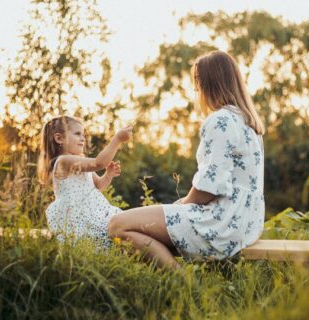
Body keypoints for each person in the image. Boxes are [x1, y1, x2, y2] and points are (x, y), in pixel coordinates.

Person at [108, 50, 265, 268]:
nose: (196, 88)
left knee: (117, 225)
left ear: (207, 82)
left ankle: (183, 286)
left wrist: (182, 205)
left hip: (221, 223)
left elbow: (210, 186)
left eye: (197, 81)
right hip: (245, 224)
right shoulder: (248, 123)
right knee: (149, 231)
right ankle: (176, 282)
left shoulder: (221, 120)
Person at [37, 115, 132, 247]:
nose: (83, 138)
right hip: (81, 217)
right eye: (77, 134)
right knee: (120, 231)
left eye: (83, 134)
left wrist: (108, 175)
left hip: (93, 213)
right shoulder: (64, 161)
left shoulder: (78, 159)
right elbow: (98, 163)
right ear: (59, 138)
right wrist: (117, 139)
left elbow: (98, 186)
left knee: (124, 229)